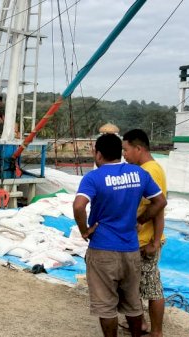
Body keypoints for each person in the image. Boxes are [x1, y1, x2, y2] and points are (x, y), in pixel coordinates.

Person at [73, 133, 167, 337]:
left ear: (98, 154)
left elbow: (79, 206)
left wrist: (84, 231)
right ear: (119, 153)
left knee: (106, 306)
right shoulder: (139, 174)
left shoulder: (93, 177)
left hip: (103, 249)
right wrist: (140, 220)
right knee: (133, 303)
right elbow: (160, 201)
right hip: (131, 249)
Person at [122, 129, 166, 337]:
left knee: (153, 288)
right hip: (137, 241)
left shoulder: (150, 171)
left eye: (126, 149)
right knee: (135, 286)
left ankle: (156, 332)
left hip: (146, 241)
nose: (124, 154)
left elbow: (159, 207)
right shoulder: (142, 170)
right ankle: (141, 325)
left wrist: (155, 241)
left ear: (138, 148)